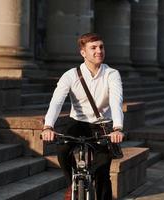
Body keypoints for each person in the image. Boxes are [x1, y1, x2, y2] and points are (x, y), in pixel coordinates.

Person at [41, 32, 124, 200]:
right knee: (63, 149)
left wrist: (117, 128)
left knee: (102, 173)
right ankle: (72, 181)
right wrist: (48, 126)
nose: (99, 51)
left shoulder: (111, 74)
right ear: (83, 53)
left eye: (101, 47)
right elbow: (56, 102)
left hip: (103, 125)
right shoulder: (70, 75)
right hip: (77, 122)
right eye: (93, 48)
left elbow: (116, 101)